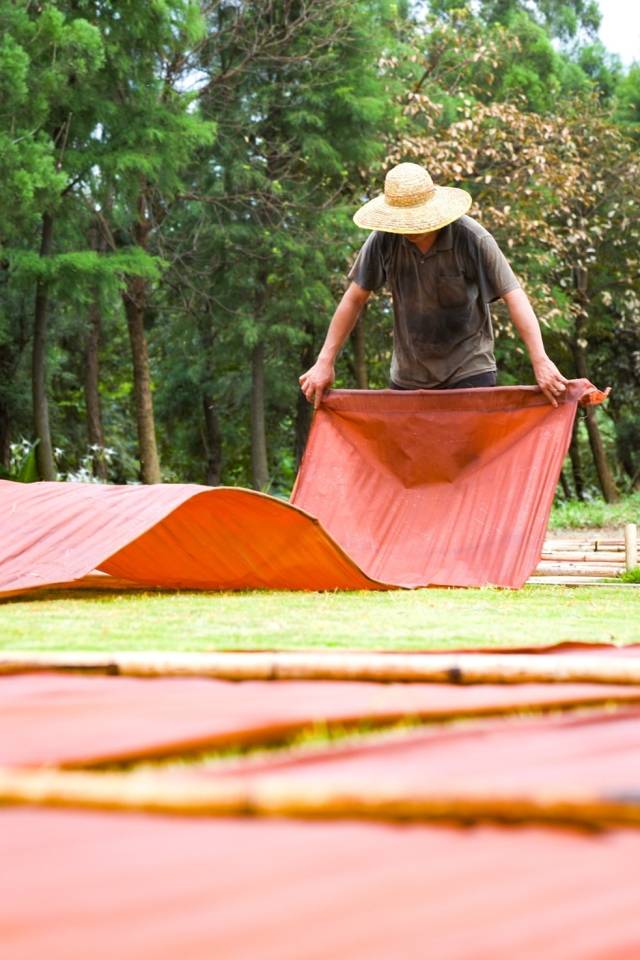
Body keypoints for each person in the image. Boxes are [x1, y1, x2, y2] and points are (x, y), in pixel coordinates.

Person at [299, 162, 568, 408]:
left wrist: (541, 360)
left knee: (468, 458)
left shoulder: (471, 238)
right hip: (409, 374)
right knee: (410, 459)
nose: (411, 227)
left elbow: (514, 296)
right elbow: (353, 299)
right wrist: (325, 362)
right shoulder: (384, 240)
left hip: (468, 369)